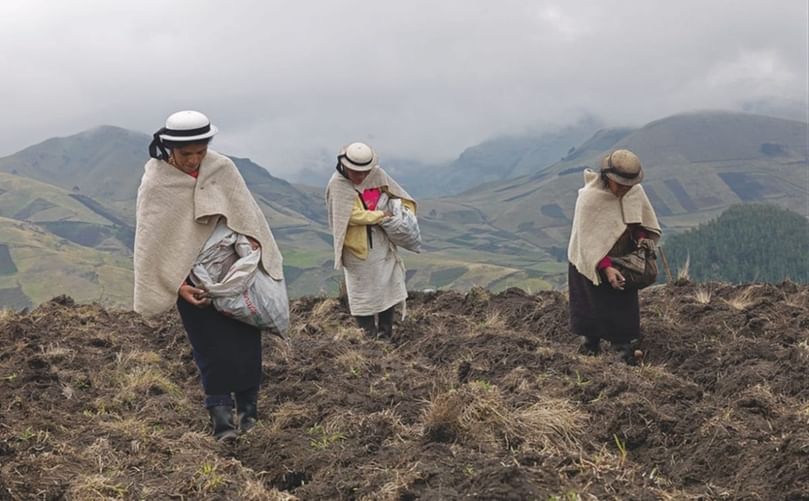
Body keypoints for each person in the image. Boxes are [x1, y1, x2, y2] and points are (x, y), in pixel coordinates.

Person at [134, 110, 285, 440]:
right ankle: (222, 423)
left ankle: (249, 415)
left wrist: (251, 253)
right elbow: (153, 241)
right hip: (193, 283)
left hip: (235, 276)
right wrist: (180, 286)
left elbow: (247, 217)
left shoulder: (222, 169)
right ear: (169, 149)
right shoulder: (157, 184)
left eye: (200, 152)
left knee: (246, 343)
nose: (194, 160)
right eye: (186, 154)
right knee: (211, 349)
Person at [567, 149, 661, 364]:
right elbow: (587, 241)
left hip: (623, 261)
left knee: (622, 312)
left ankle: (623, 355)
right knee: (591, 311)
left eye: (628, 186)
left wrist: (640, 238)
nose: (624, 190)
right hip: (590, 264)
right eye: (620, 185)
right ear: (607, 177)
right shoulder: (590, 198)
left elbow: (637, 222)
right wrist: (605, 266)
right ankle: (590, 351)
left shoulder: (634, 192)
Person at [325, 142, 416, 338]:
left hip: (382, 243)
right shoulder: (337, 185)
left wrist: (401, 215)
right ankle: (367, 336)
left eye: (365, 172)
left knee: (386, 286)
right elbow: (349, 215)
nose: (361, 177)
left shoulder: (378, 175)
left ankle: (386, 334)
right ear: (345, 166)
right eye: (356, 172)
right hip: (356, 248)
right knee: (362, 291)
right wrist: (379, 215)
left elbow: (398, 194)